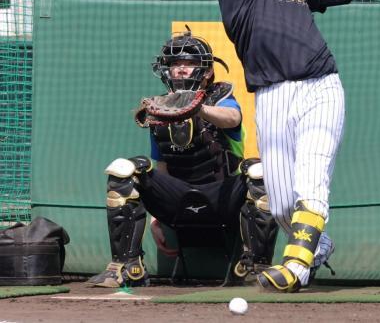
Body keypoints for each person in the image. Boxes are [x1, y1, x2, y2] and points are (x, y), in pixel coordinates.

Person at [198, 0, 380, 292]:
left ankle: (295, 269)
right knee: (284, 204)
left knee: (311, 181)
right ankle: (317, 246)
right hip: (271, 96)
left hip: (320, 84)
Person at [88, 29, 278, 288]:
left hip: (221, 196)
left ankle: (255, 268)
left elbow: (232, 118)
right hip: (178, 198)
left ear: (207, 72)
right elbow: (162, 167)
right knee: (124, 170)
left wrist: (198, 108)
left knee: (259, 172)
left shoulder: (222, 97)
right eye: (175, 64)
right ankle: (125, 266)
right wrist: (157, 220)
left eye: (188, 64)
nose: (180, 70)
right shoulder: (159, 108)